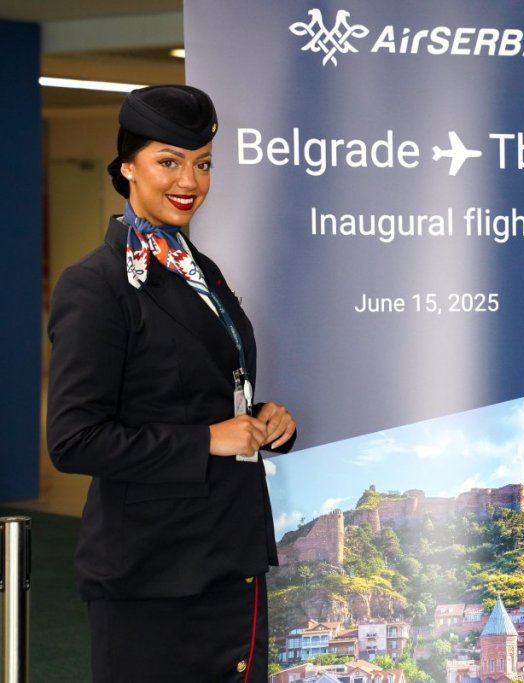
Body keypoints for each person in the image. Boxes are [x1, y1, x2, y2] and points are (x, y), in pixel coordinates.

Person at [46, 84, 297, 682]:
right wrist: (207, 439)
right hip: (153, 575)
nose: (190, 181)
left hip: (229, 559)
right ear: (127, 166)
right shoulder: (97, 284)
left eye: (202, 164)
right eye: (169, 161)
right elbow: (75, 440)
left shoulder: (197, 269)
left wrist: (262, 420)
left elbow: (194, 388)